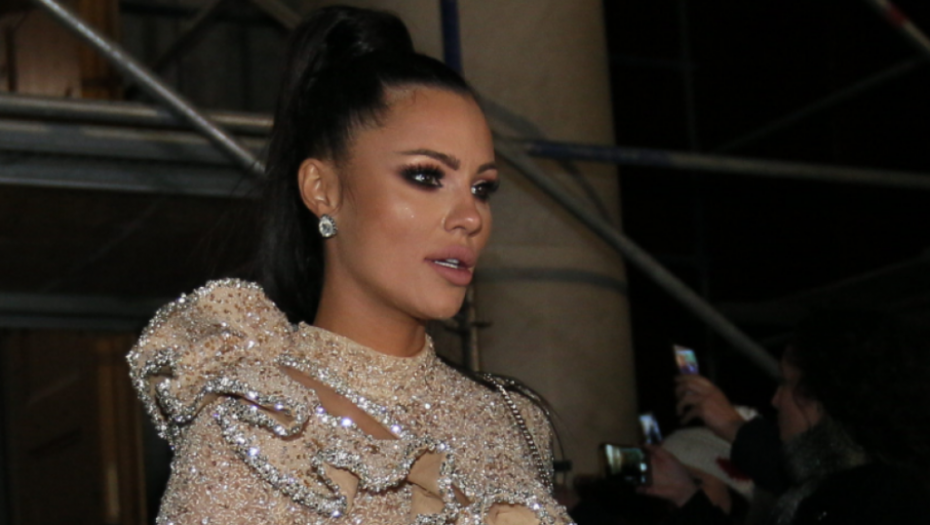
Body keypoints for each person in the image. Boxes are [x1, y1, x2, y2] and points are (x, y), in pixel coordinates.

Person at [127, 6, 572, 524]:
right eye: (426, 176)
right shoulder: (254, 426)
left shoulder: (511, 422)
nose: (470, 217)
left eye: (482, 188)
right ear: (323, 190)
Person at [641, 310, 930, 524]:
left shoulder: (871, 499)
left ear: (819, 396)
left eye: (785, 382)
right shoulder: (858, 482)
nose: (775, 399)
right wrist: (686, 493)